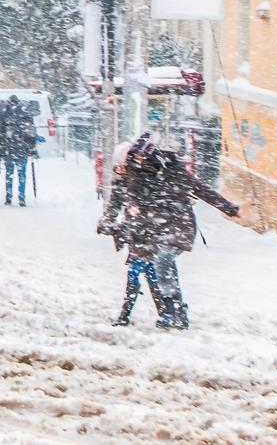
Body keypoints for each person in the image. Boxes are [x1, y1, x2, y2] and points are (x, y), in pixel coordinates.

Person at [97, 132, 241, 330]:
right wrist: (108, 221)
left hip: (176, 225)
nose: (122, 171)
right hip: (146, 230)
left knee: (162, 262)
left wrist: (228, 208)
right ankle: (172, 313)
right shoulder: (133, 177)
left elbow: (200, 189)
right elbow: (115, 203)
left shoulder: (170, 170)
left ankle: (171, 312)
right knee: (153, 270)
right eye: (121, 167)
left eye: (125, 166)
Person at [0, 95, 37, 207]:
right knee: (22, 175)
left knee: (9, 174)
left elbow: (0, 135)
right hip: (21, 150)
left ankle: (8, 197)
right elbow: (31, 133)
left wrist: (0, 149)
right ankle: (22, 197)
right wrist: (32, 148)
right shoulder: (25, 115)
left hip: (8, 150)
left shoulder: (4, 116)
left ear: (9, 103)